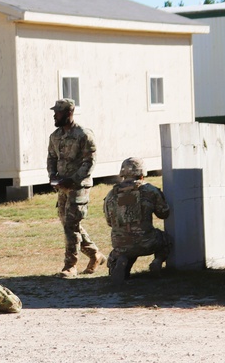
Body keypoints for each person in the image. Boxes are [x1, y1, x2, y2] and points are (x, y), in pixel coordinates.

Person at [46, 98, 105, 278]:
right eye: (55, 112)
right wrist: (53, 176)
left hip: (78, 187)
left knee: (71, 224)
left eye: (58, 112)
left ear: (69, 113)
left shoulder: (84, 135)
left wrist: (73, 180)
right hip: (62, 187)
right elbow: (51, 158)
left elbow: (90, 162)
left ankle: (70, 266)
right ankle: (95, 254)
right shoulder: (55, 136)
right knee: (68, 224)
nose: (55, 115)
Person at [103, 157, 173, 284]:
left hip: (121, 244)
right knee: (166, 239)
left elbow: (109, 221)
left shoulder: (111, 194)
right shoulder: (150, 190)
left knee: (124, 250)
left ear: (122, 174)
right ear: (142, 174)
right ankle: (157, 262)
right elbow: (164, 213)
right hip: (147, 241)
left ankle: (121, 265)